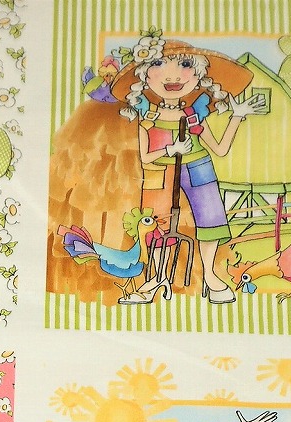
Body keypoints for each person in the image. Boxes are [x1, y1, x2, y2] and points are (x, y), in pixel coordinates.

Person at [111, 34, 257, 303]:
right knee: (155, 224)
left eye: (185, 65)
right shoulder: (148, 115)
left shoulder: (194, 115)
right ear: (144, 76)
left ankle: (211, 276)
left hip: (199, 167)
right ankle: (155, 279)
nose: (172, 76)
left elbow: (220, 149)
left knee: (210, 218)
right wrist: (170, 150)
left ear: (199, 75)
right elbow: (145, 157)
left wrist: (237, 116)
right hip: (159, 173)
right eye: (159, 65)